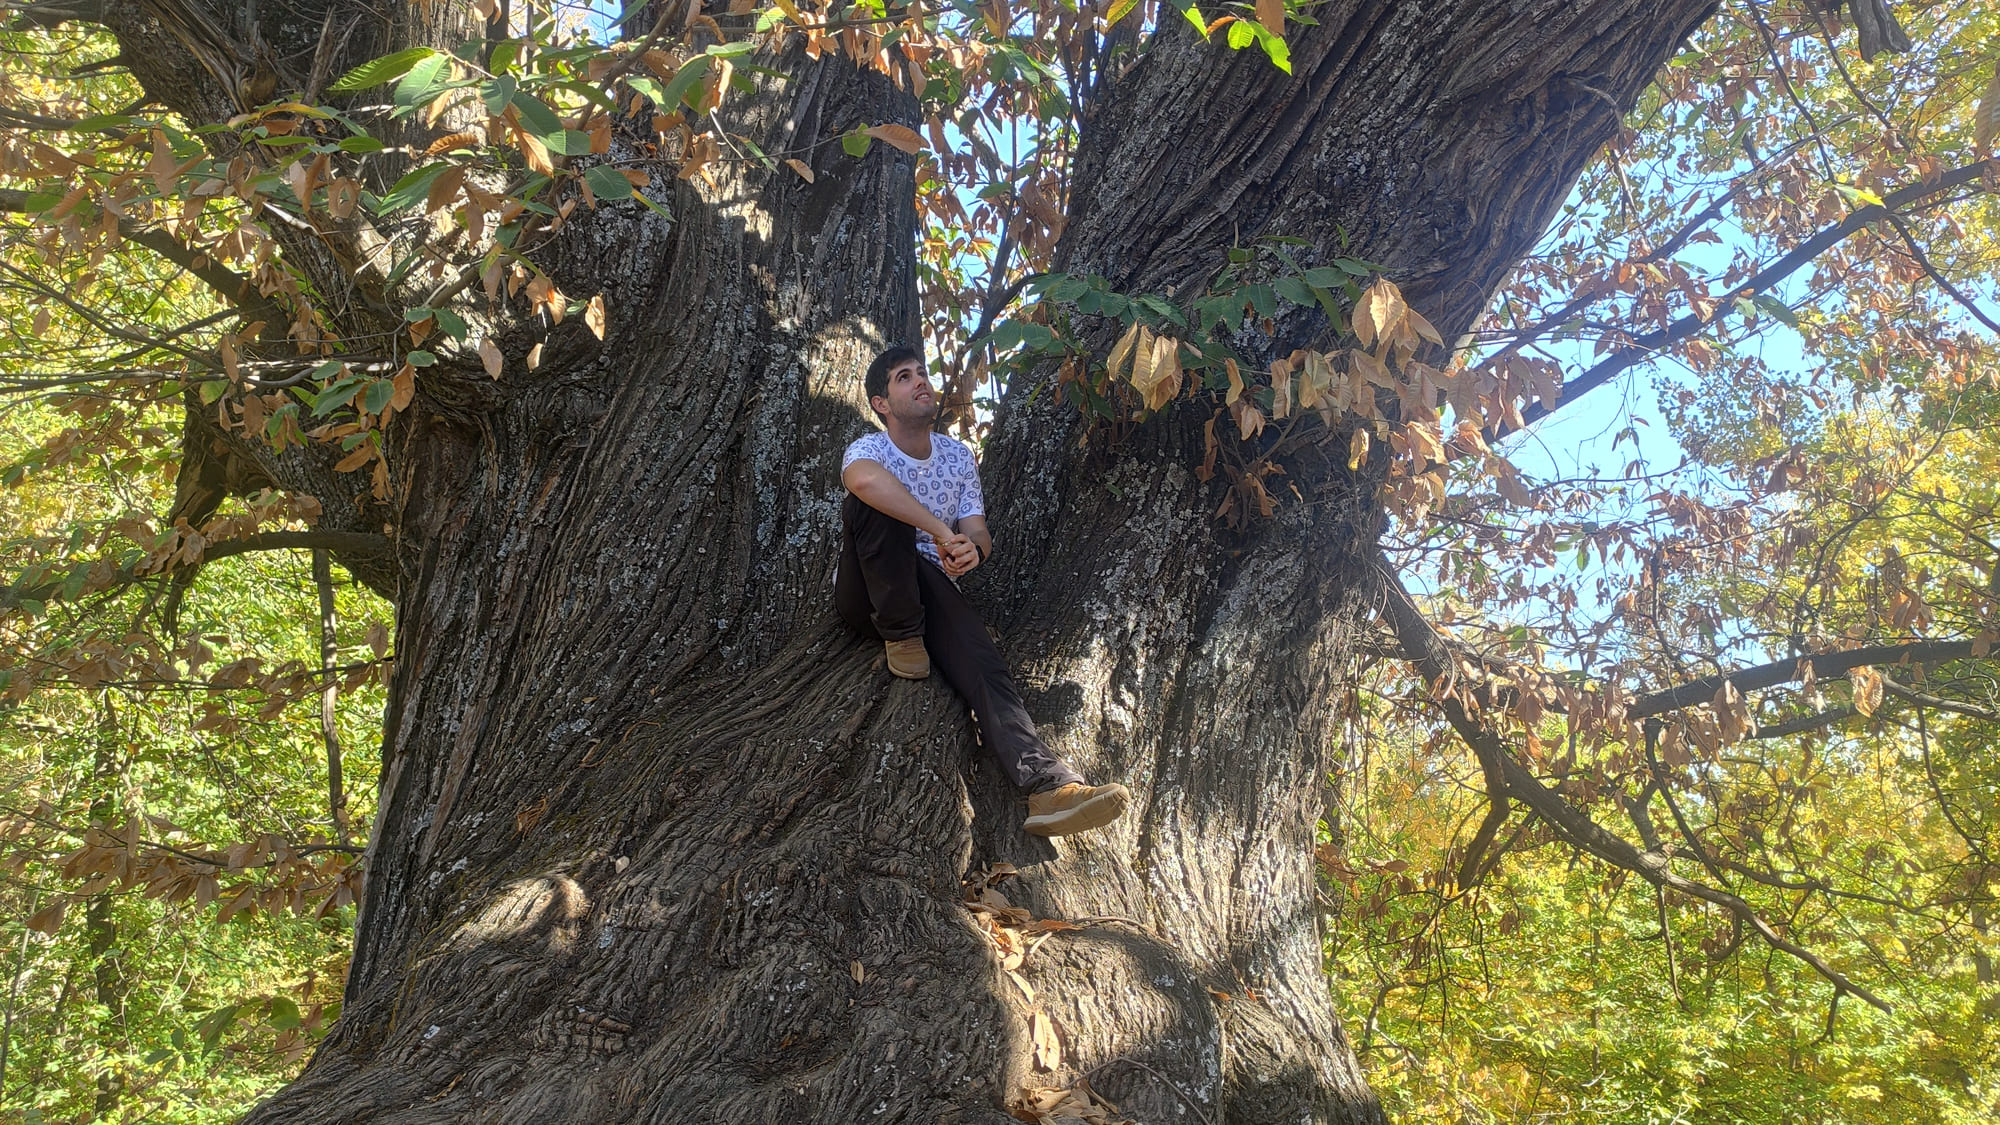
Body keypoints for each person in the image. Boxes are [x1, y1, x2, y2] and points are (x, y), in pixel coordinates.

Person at [836, 345, 1129, 837]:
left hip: (934, 592)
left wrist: (971, 549)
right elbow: (863, 483)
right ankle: (902, 633)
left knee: (984, 661)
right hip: (869, 593)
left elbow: (977, 531)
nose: (921, 382)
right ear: (881, 403)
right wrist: (936, 530)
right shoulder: (869, 449)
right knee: (868, 507)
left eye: (922, 373)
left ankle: (1048, 788)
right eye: (904, 378)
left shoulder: (956, 456)